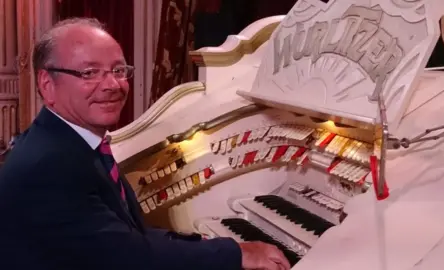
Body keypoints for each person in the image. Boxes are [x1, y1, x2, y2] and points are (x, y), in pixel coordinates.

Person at [0, 18, 290, 270]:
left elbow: (127, 238)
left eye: (118, 70)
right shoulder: (49, 165)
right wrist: (234, 253)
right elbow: (131, 258)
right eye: (89, 73)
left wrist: (209, 244)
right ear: (47, 84)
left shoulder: (72, 142)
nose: (113, 85)